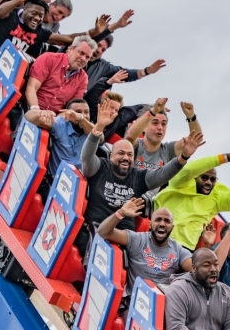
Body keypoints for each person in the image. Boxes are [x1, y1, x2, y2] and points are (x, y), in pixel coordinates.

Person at [76, 98, 205, 256]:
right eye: (121, 153)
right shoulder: (102, 165)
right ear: (110, 156)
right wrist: (100, 126)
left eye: (129, 155)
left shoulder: (140, 175)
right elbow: (89, 155)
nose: (126, 157)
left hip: (129, 226)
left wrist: (184, 156)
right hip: (95, 228)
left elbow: (163, 174)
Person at [154, 146, 230, 249]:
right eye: (204, 178)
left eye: (213, 179)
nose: (209, 182)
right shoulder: (181, 181)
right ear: (195, 177)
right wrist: (227, 157)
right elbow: (190, 169)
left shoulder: (218, 195)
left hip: (185, 249)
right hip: (160, 237)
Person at [97, 197, 192, 294]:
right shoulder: (137, 240)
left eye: (167, 221)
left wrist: (207, 245)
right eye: (158, 219)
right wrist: (121, 213)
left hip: (164, 302)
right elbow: (103, 232)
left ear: (172, 228)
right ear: (150, 224)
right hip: (135, 301)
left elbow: (197, 271)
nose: (162, 224)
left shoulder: (178, 250)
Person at [84, 19, 166, 115]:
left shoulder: (103, 67)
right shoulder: (67, 51)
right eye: (98, 45)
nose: (99, 50)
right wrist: (113, 26)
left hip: (82, 111)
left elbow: (127, 74)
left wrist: (147, 71)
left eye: (103, 50)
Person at [124, 98, 202, 170]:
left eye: (163, 124)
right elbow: (130, 136)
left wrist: (191, 116)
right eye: (155, 123)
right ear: (144, 127)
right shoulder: (135, 145)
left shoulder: (167, 150)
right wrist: (153, 111)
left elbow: (196, 139)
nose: (160, 127)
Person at [24, 36, 95, 115]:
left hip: (53, 119)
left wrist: (57, 119)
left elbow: (72, 109)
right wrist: (36, 111)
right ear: (70, 49)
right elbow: (31, 88)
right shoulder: (49, 58)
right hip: (30, 108)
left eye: (87, 57)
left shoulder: (83, 78)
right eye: (81, 53)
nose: (83, 59)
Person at [25, 98, 93, 179]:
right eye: (78, 112)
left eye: (86, 112)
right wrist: (40, 113)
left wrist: (81, 119)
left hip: (78, 185)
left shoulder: (91, 130)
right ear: (68, 114)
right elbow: (28, 117)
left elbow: (99, 136)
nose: (83, 115)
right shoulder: (61, 124)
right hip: (53, 180)